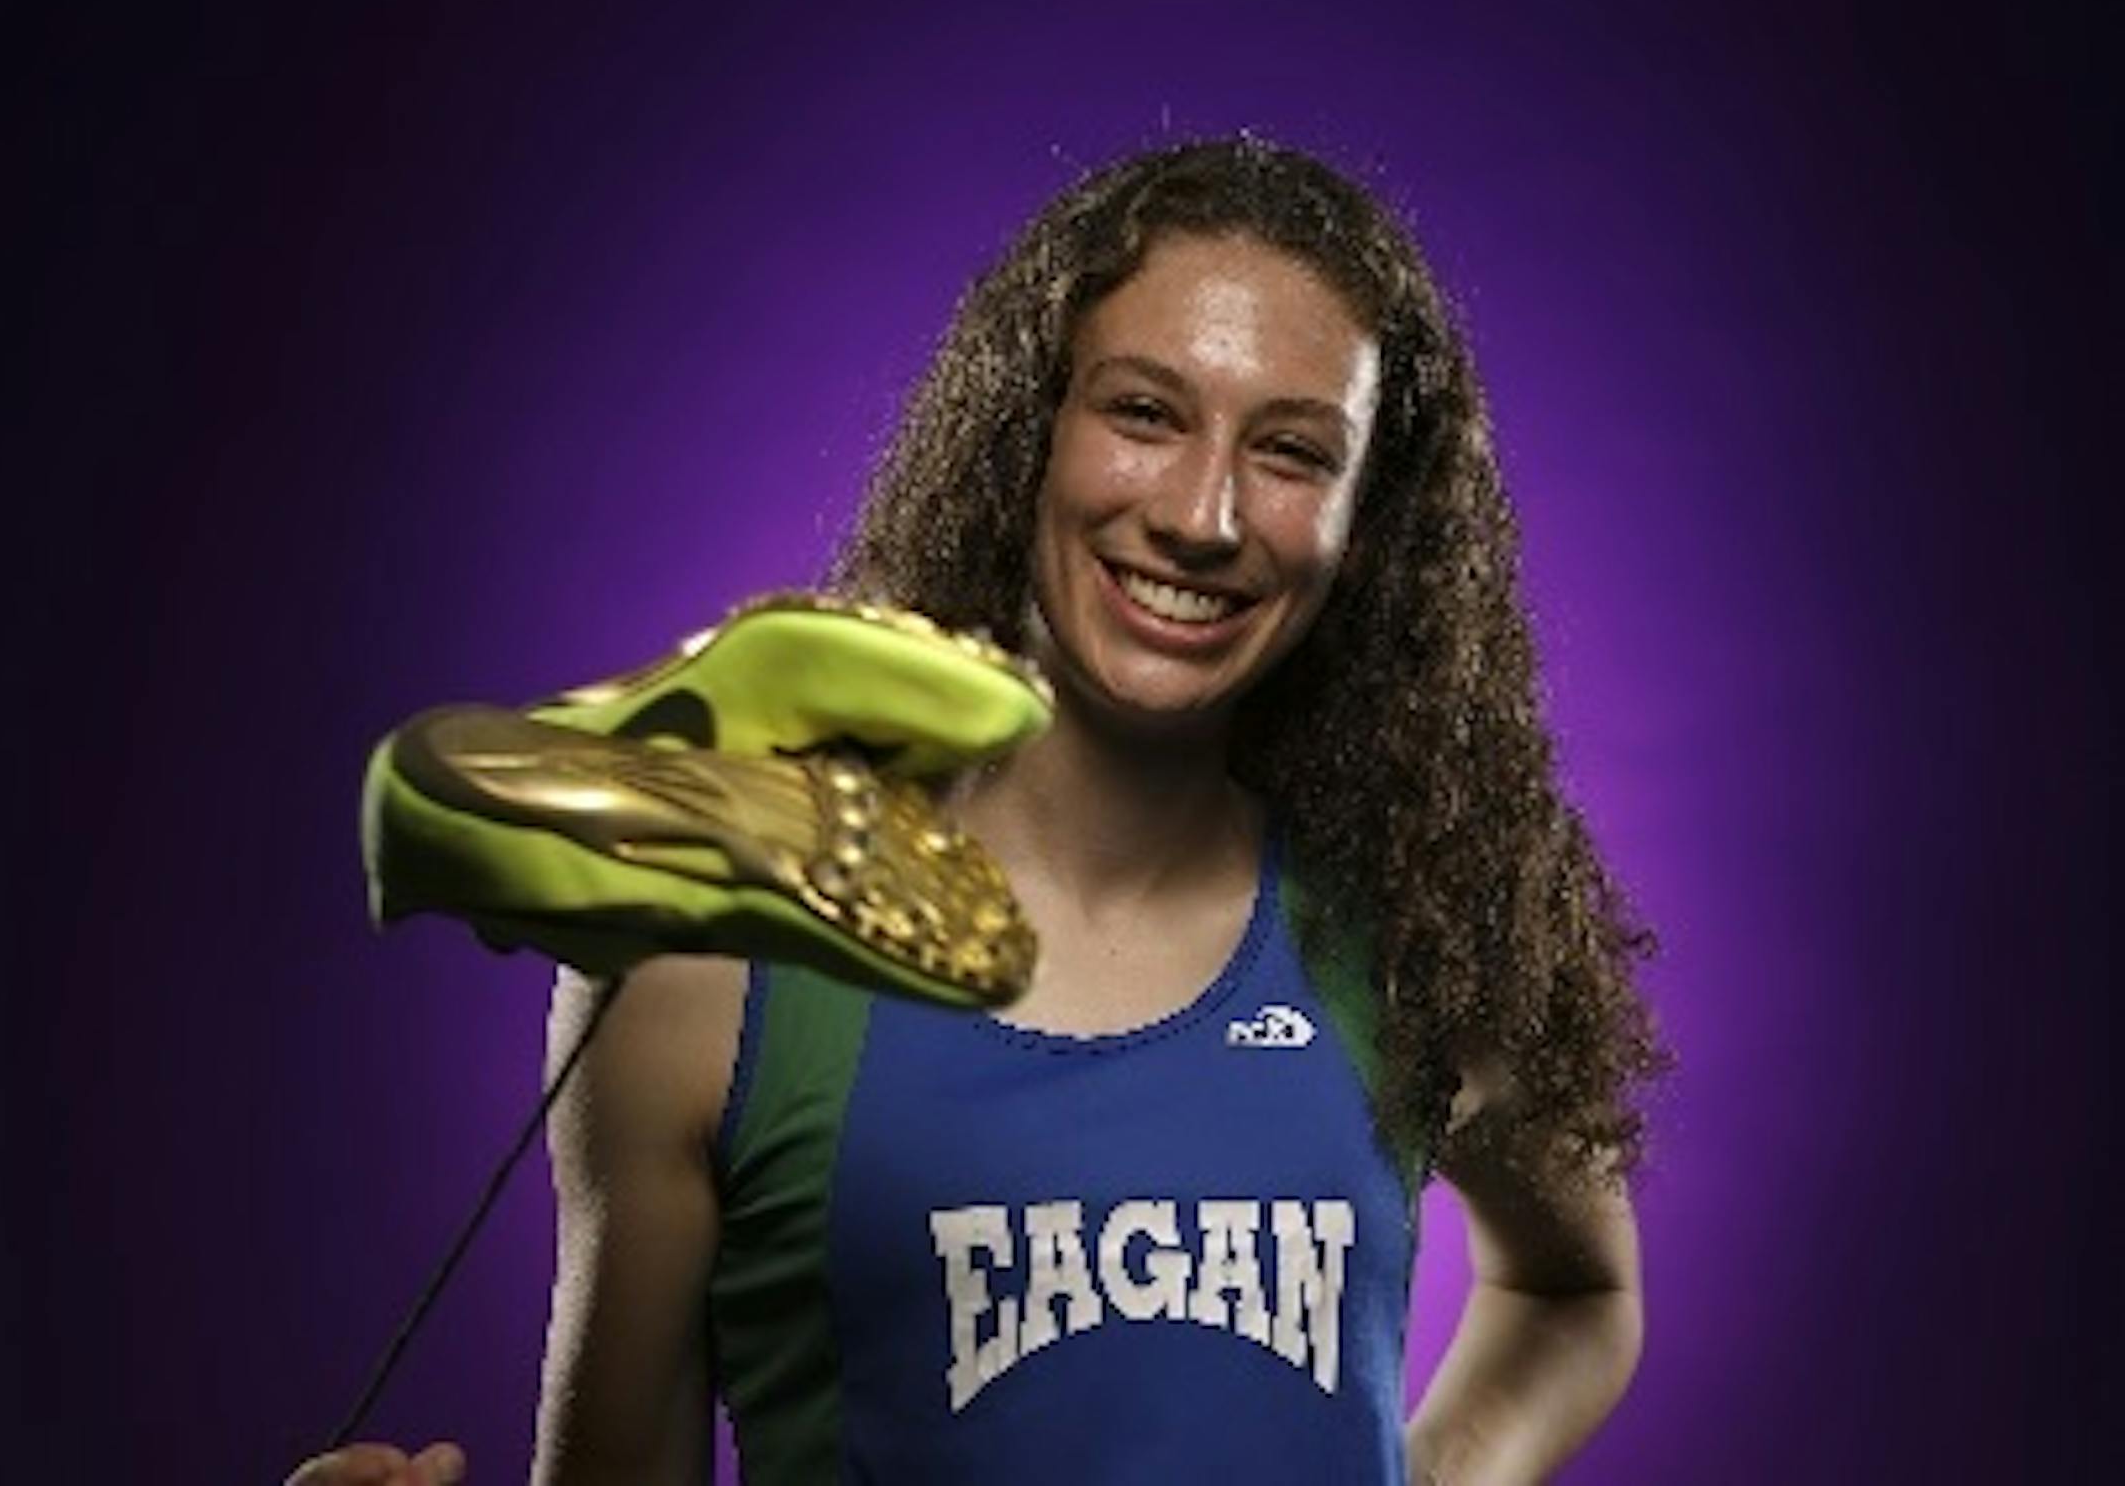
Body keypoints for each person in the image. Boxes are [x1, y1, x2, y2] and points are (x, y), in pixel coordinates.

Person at [291, 136, 1667, 1486]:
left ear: (1366, 526)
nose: (1202, 513)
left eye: (1295, 451)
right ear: (1030, 432)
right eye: (1143, 412)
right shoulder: (711, 965)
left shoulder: (1415, 927)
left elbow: (1572, 1293)